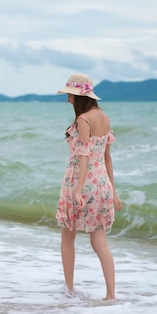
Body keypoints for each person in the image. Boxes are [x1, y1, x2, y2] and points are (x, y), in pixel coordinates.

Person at [55, 73, 122, 300]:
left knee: (67, 236)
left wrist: (78, 190)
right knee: (100, 242)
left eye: (70, 95)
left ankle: (69, 289)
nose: (68, 100)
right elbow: (107, 158)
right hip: (101, 184)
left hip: (79, 182)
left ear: (79, 96)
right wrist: (113, 192)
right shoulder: (104, 117)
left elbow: (83, 155)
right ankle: (111, 295)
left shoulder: (83, 120)